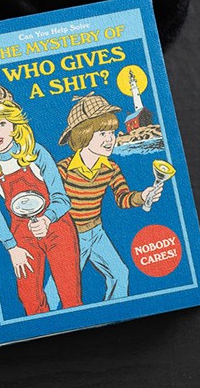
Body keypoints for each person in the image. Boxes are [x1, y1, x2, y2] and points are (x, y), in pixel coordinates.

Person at [0, 78, 82, 315]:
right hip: (20, 236)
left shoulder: (35, 153)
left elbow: (62, 198)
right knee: (29, 296)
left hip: (57, 227)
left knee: (70, 292)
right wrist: (12, 247)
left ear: (14, 124)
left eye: (1, 123)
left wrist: (47, 219)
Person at [57, 92, 163, 301]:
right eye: (102, 133)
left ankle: (117, 311)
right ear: (84, 135)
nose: (110, 139)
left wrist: (143, 196)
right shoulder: (62, 169)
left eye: (112, 132)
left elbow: (122, 198)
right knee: (62, 284)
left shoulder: (111, 168)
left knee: (120, 273)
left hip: (97, 233)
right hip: (71, 236)